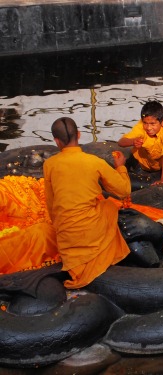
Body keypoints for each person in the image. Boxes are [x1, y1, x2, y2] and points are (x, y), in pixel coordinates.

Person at [43, 117, 132, 289]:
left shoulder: (49, 165)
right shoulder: (94, 162)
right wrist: (120, 167)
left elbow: (51, 203)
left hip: (66, 238)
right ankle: (102, 255)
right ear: (79, 134)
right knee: (109, 206)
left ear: (56, 141)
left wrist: (60, 226)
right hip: (90, 232)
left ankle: (82, 260)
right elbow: (124, 191)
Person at [118, 100, 163, 185]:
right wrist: (133, 141)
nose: (148, 128)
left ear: (162, 122)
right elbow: (121, 142)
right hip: (146, 162)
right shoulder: (141, 126)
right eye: (145, 123)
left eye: (152, 124)